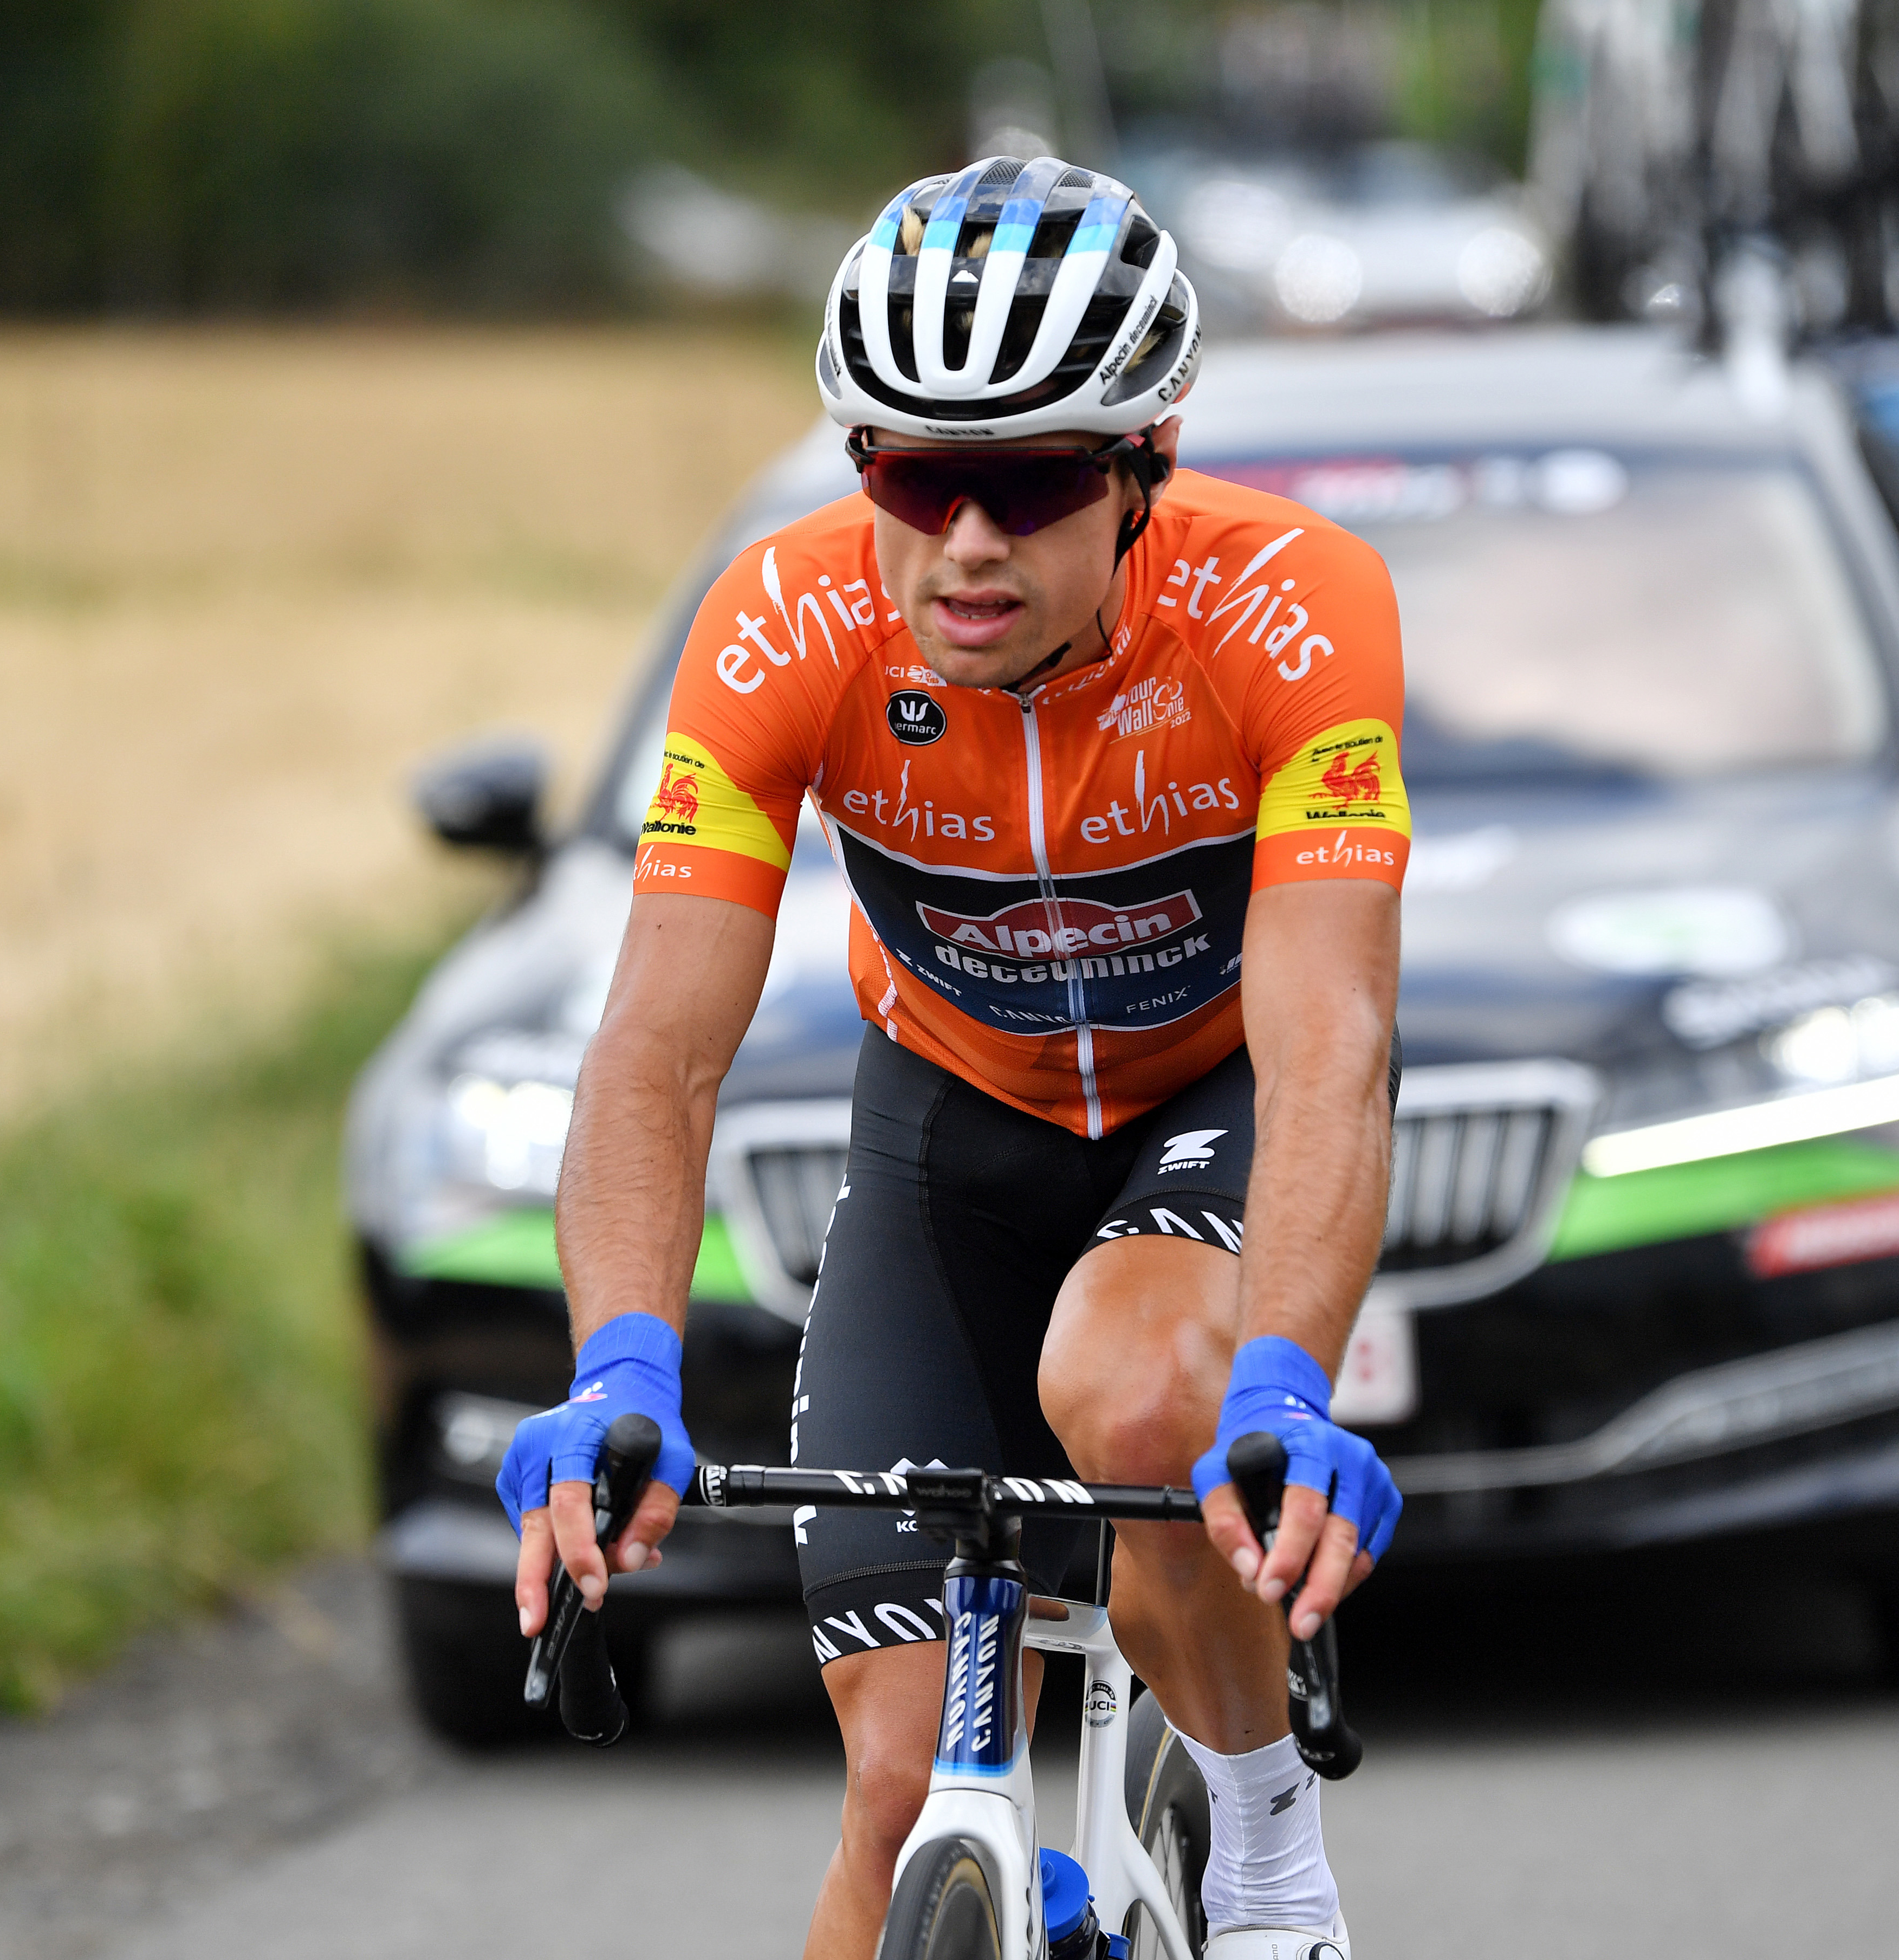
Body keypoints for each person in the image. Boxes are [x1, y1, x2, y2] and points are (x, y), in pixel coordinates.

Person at [496, 154, 1410, 1957]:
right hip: (949, 1127)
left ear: (1144, 462)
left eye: (1029, 480)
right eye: (916, 477)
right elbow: (654, 1051)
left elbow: (1330, 1051)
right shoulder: (782, 622)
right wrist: (618, 1365)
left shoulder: (1291, 609)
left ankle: (1267, 1852)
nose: (966, 539)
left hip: (1201, 1100)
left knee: (1145, 1393)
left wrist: (1285, 1383)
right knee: (899, 1790)